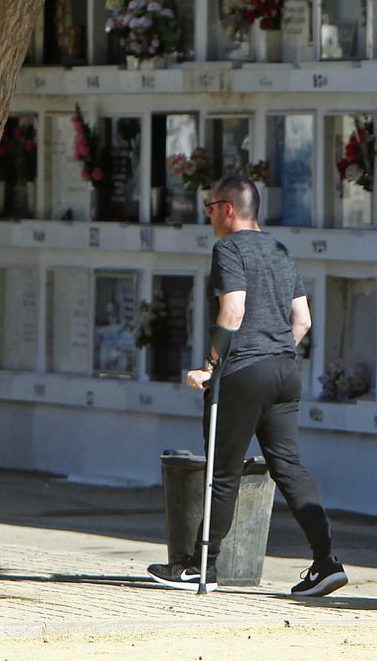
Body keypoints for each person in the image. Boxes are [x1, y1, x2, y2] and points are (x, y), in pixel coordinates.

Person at [148, 175, 347, 597]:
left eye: (209, 207)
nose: (208, 216)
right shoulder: (280, 250)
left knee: (223, 472)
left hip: (243, 372)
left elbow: (233, 309)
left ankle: (201, 567)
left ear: (228, 209)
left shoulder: (228, 248)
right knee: (288, 466)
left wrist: (211, 366)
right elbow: (303, 320)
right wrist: (276, 351)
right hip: (284, 371)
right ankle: (326, 561)